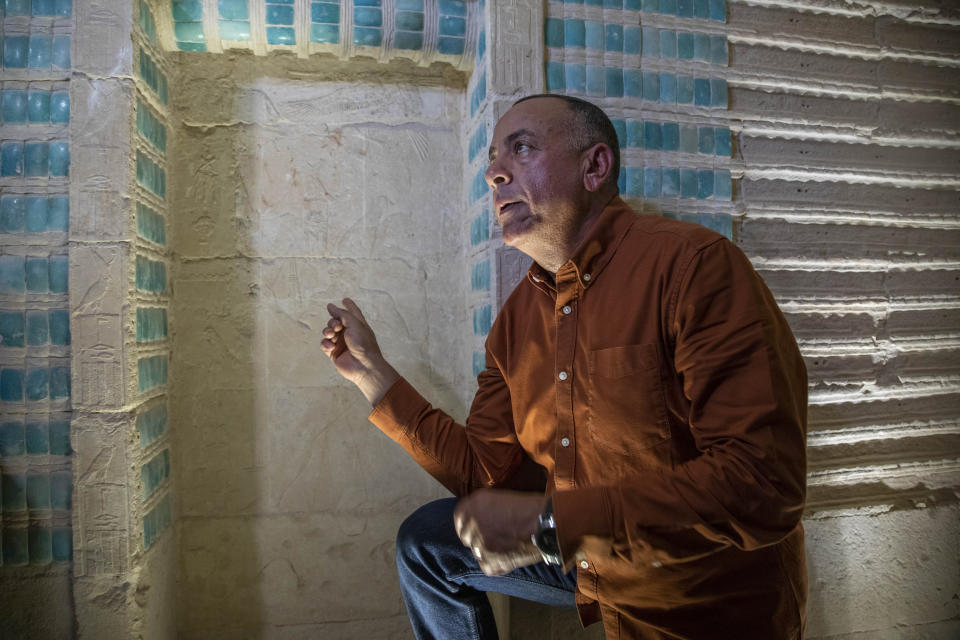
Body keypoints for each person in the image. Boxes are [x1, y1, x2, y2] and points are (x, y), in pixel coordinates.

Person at [321, 94, 808, 639]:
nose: (493, 173)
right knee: (427, 541)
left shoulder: (693, 267)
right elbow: (484, 475)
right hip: (585, 561)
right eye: (492, 159)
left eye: (521, 148)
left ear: (594, 167)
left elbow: (764, 484)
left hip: (700, 599)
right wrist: (372, 374)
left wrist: (550, 526)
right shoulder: (515, 321)